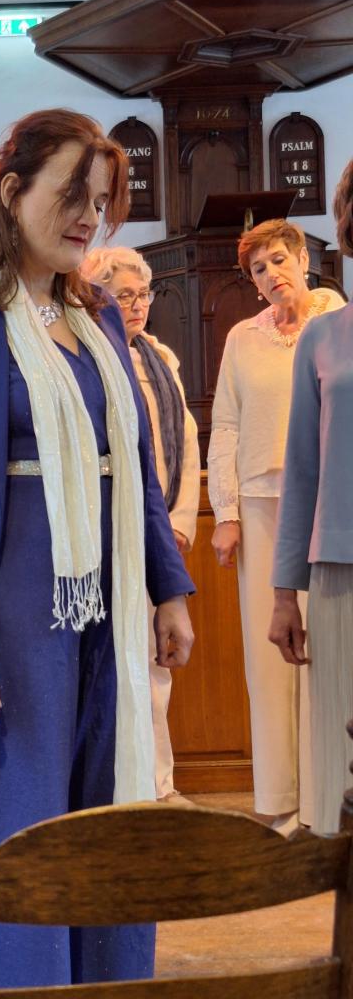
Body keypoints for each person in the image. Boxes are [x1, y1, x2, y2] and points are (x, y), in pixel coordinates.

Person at [0, 108, 195, 989]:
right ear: (13, 192)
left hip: (110, 597)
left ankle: (108, 982)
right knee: (19, 829)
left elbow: (132, 461)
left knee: (110, 814)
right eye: (72, 196)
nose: (89, 218)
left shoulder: (98, 314)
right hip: (14, 606)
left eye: (102, 202)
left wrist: (169, 588)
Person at [208, 218, 345, 834]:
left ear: (304, 260)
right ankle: (280, 800)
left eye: (279, 260)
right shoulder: (242, 338)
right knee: (270, 662)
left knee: (326, 652)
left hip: (328, 506)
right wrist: (226, 513)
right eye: (258, 269)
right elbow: (226, 425)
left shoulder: (335, 319)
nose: (271, 275)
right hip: (262, 504)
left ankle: (327, 797)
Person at [83, 245, 200, 804]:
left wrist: (178, 523)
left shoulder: (161, 359)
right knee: (116, 664)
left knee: (158, 665)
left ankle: (160, 787)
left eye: (142, 294)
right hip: (110, 534)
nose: (136, 305)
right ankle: (123, 791)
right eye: (122, 295)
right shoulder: (89, 357)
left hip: (159, 532)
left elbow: (185, 445)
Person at [269, 162, 353, 834]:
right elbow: (301, 471)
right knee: (338, 747)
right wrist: (282, 594)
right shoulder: (323, 339)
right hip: (340, 568)